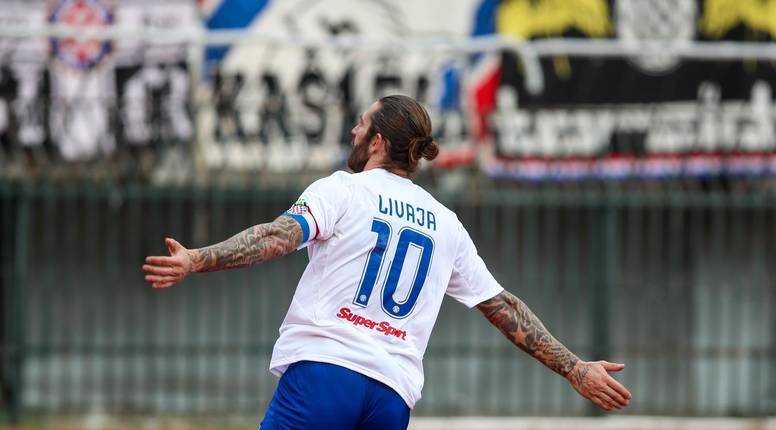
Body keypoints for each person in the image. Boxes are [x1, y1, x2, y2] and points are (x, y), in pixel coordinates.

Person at [143, 95, 631, 430]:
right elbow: (502, 307)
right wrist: (574, 368)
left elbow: (276, 237)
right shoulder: (445, 223)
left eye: (361, 123)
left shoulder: (343, 190)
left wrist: (197, 260)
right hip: (391, 398)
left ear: (377, 141)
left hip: (325, 375)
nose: (354, 130)